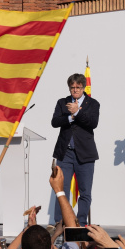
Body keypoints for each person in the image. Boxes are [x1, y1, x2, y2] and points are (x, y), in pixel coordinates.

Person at [52, 73, 100, 227]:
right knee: (61, 189)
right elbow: (55, 122)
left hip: (85, 154)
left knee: (85, 192)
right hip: (65, 153)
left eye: (78, 87)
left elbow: (93, 123)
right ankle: (61, 224)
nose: (75, 90)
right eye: (72, 87)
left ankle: (81, 224)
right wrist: (71, 117)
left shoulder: (93, 104)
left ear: (83, 87)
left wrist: (78, 112)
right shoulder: (62, 102)